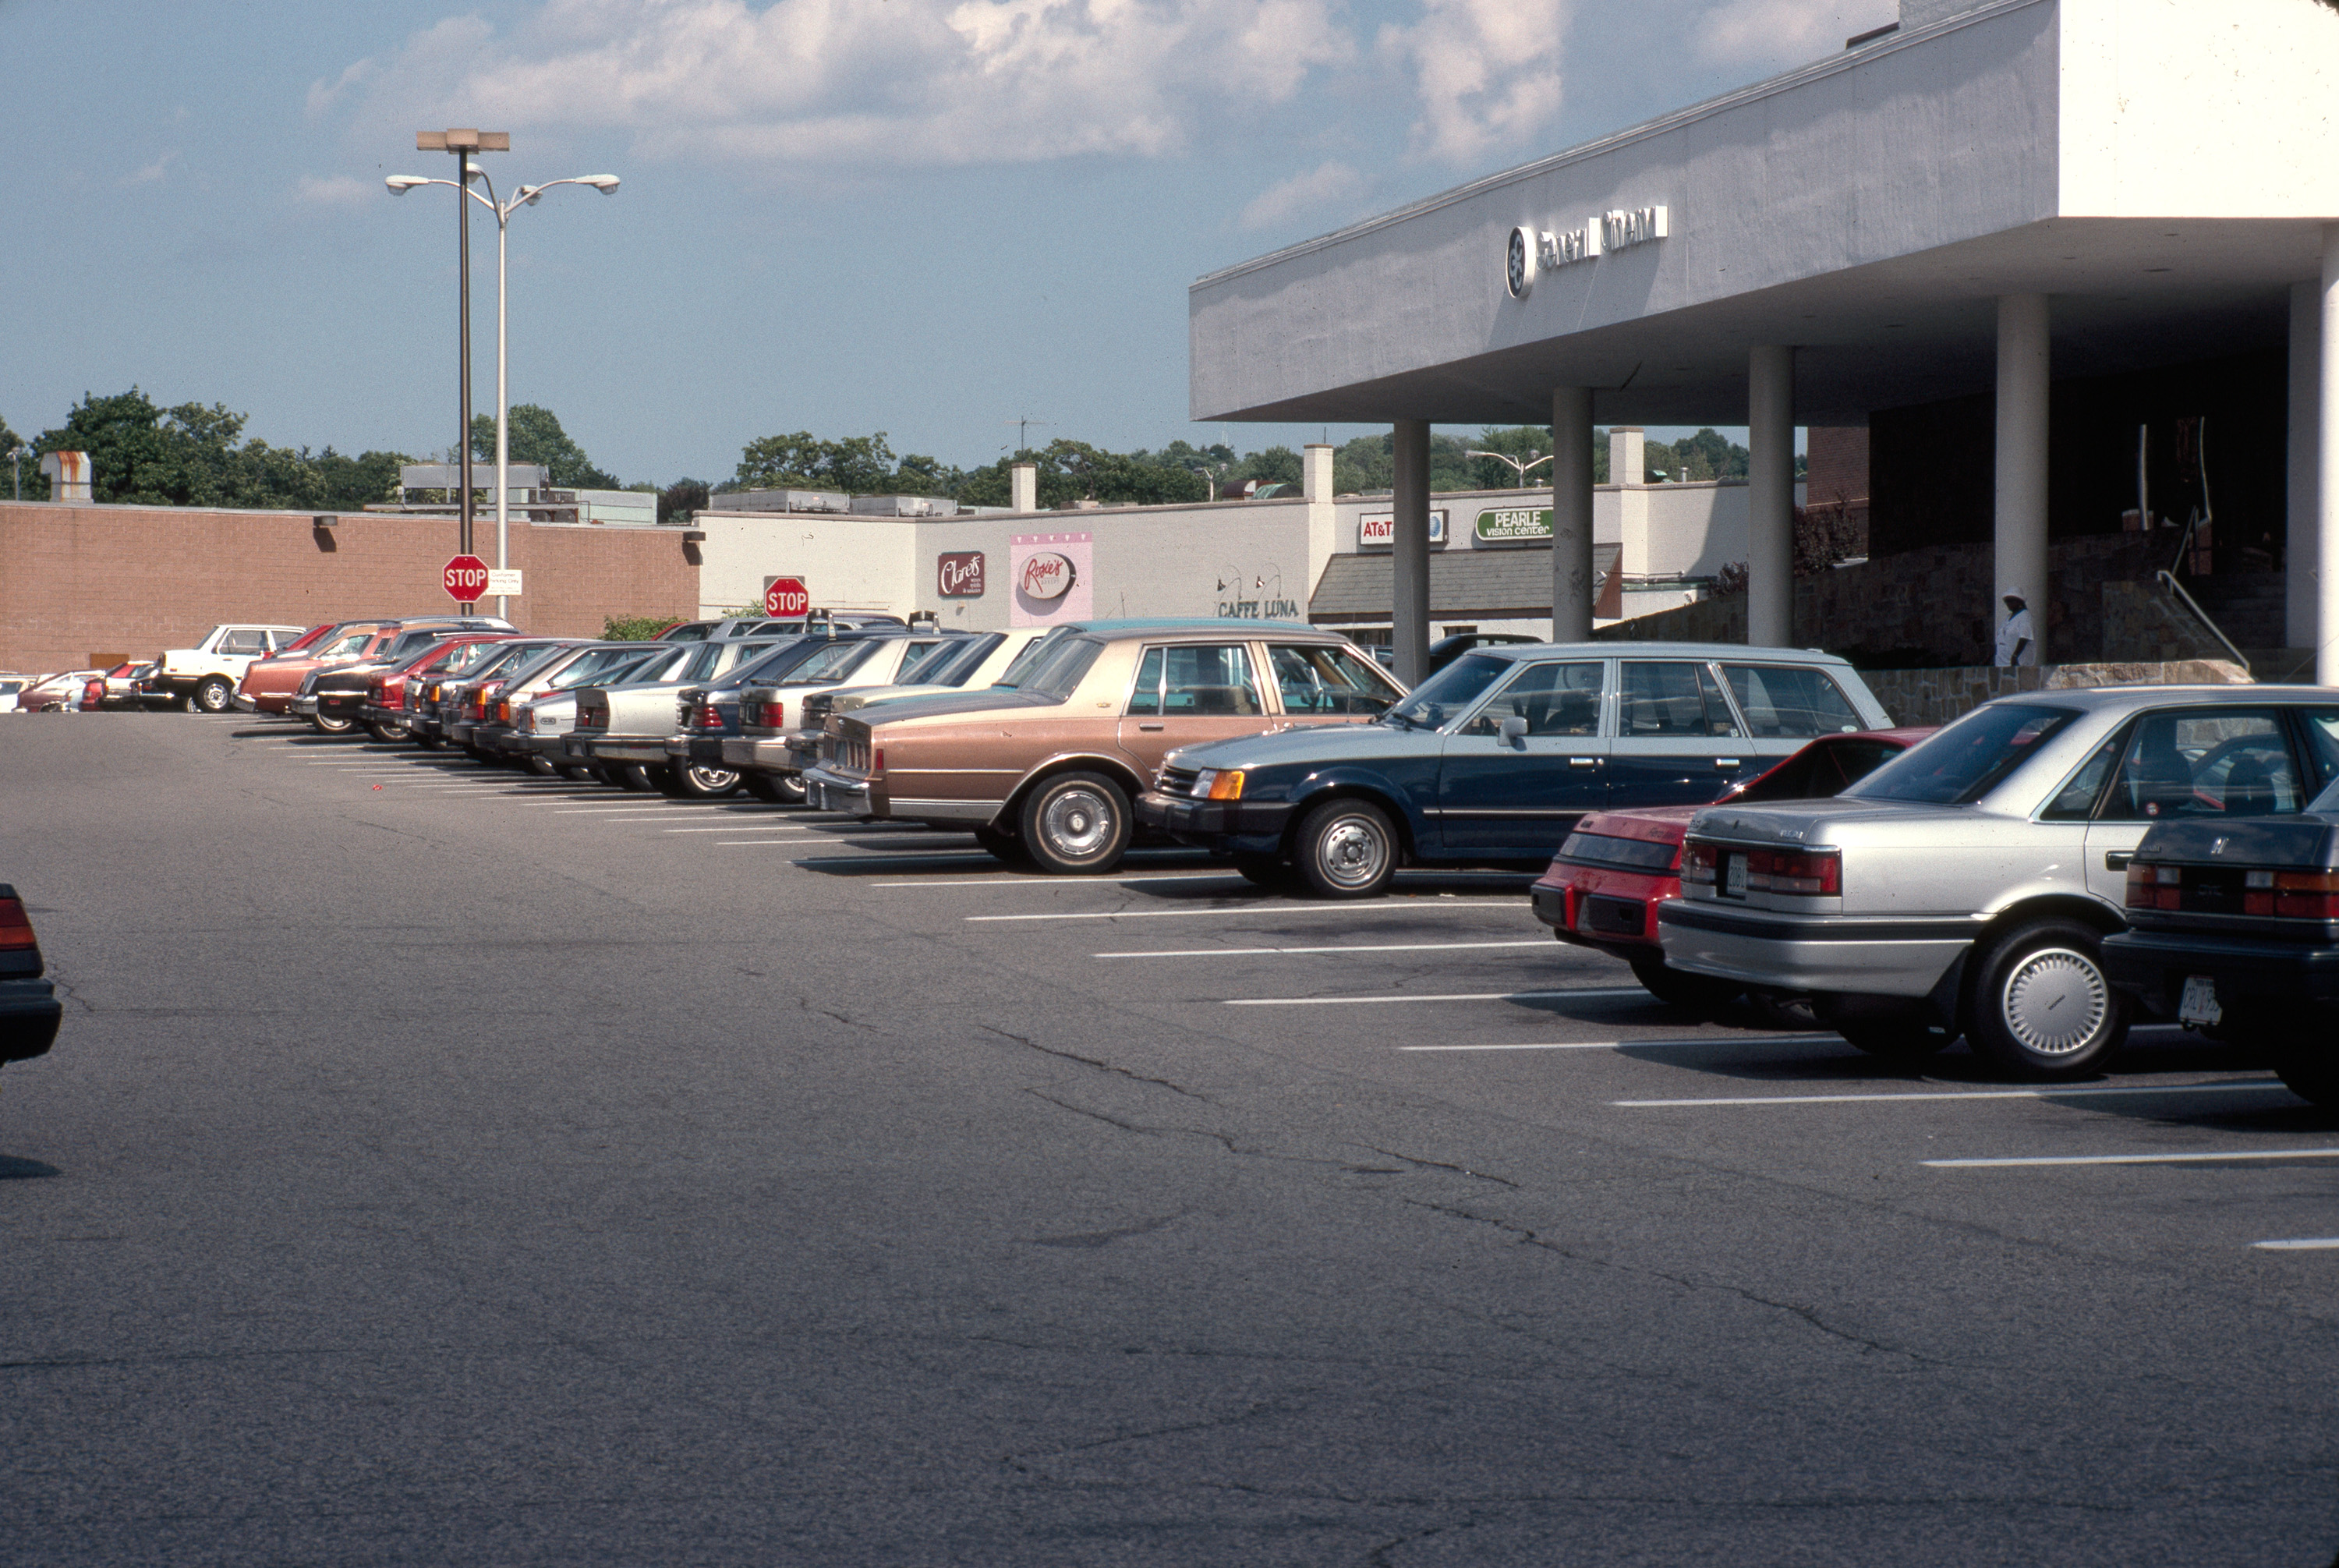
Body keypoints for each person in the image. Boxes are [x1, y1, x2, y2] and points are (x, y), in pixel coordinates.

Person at [1994, 593, 2036, 667]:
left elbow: (2024, 637)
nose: (2008, 604)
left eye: (2010, 601)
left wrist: (2015, 655)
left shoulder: (2025, 617)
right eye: (2006, 601)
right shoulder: (2008, 618)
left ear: (2018, 602)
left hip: (2017, 663)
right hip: (2002, 662)